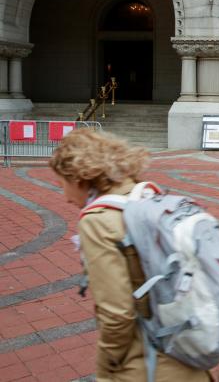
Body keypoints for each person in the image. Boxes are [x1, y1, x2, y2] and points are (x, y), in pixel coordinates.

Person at [49, 129, 210, 382]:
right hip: (190, 355)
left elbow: (116, 316)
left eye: (62, 184)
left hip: (148, 365)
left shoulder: (98, 221)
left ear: (79, 178)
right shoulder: (148, 196)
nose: (65, 197)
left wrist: (105, 371)